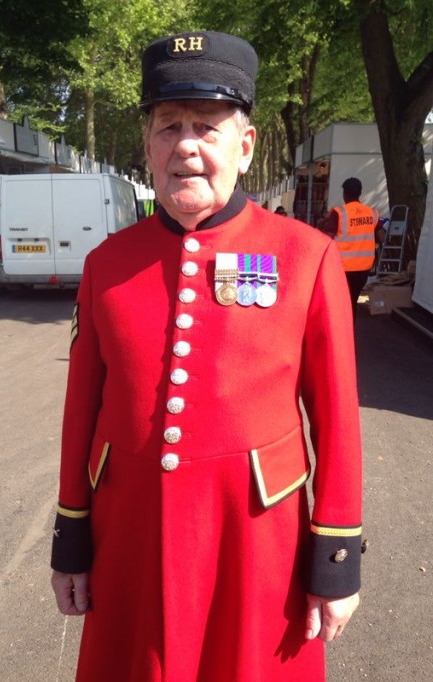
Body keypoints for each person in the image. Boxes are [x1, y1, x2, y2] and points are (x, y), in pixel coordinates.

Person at [51, 30, 363, 682]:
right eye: (168, 126)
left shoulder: (306, 258)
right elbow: (82, 410)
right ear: (146, 146)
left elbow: (336, 419)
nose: (185, 146)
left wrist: (335, 558)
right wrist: (71, 536)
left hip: (258, 547)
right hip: (129, 540)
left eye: (206, 127)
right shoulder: (107, 265)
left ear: (245, 147)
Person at [325, 177, 385, 319]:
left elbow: (327, 238)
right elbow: (381, 237)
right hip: (363, 268)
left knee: (338, 303)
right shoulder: (372, 213)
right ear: (360, 193)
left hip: (342, 268)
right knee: (352, 300)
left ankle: (340, 332)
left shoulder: (338, 213)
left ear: (345, 194)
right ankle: (349, 329)